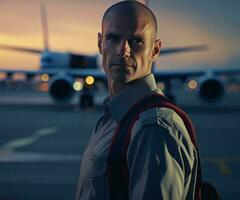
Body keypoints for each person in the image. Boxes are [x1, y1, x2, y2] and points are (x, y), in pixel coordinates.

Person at [75, 1, 198, 199]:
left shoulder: (154, 128)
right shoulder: (114, 117)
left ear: (155, 50)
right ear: (100, 43)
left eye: (136, 41)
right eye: (113, 38)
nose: (122, 50)